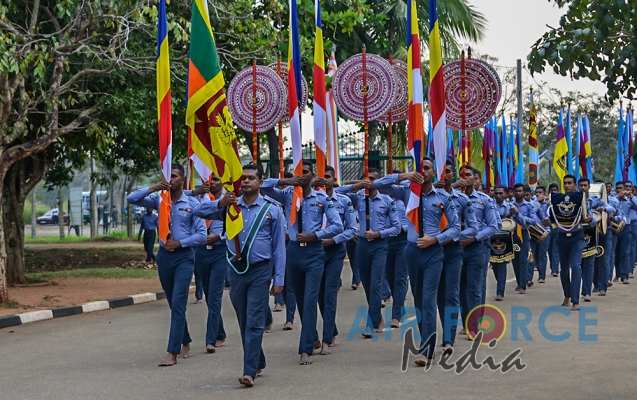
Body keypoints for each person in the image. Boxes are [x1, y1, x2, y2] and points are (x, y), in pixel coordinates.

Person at [194, 164, 286, 387]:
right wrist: (220, 203)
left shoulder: (272, 209)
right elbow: (198, 212)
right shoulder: (230, 206)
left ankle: (249, 371)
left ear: (260, 182)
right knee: (244, 319)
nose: (246, 181)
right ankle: (259, 360)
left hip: (260, 270)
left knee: (254, 320)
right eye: (243, 178)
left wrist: (279, 279)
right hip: (235, 271)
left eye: (251, 178)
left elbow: (279, 248)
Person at [374, 158, 460, 366]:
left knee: (429, 299)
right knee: (420, 300)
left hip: (433, 252)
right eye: (420, 169)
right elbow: (378, 185)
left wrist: (435, 238)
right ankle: (427, 341)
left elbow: (455, 227)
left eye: (427, 168)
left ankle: (426, 350)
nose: (423, 172)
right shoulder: (408, 192)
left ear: (434, 173)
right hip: (411, 252)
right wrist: (403, 176)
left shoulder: (442, 197)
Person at [261, 160, 343, 366]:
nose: (302, 176)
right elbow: (263, 186)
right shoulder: (287, 194)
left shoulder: (321, 197)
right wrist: (287, 180)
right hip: (294, 252)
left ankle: (305, 349)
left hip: (315, 253)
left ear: (312, 175)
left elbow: (337, 225)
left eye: (305, 172)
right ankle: (312, 337)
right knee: (299, 300)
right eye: (299, 173)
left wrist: (315, 235)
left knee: (309, 299)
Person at [127, 163, 207, 366]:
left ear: (182, 180)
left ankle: (172, 352)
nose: (170, 179)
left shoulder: (192, 203)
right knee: (174, 304)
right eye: (167, 176)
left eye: (174, 176)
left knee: (179, 303)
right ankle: (186, 339)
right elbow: (131, 199)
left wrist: (179, 243)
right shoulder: (160, 201)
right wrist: (154, 187)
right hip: (164, 257)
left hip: (183, 257)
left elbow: (201, 235)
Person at [337, 167, 400, 337]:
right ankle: (377, 317)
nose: (369, 181)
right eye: (367, 178)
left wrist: (378, 233)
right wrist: (357, 185)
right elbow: (336, 191)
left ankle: (371, 324)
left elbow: (396, 228)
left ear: (378, 181)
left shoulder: (387, 200)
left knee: (376, 284)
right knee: (367, 284)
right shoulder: (358, 198)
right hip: (362, 245)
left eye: (372, 179)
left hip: (379, 245)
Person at [434, 161, 478, 351]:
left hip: (453, 250)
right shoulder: (427, 197)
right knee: (439, 295)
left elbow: (473, 227)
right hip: (432, 249)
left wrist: (453, 236)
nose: (445, 175)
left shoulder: (462, 199)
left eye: (448, 172)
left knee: (452, 294)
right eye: (441, 172)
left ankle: (448, 340)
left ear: (454, 176)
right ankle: (446, 329)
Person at [314, 165, 358, 354]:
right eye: (320, 177)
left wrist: (333, 240)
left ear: (334, 179)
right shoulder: (310, 200)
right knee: (319, 295)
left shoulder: (344, 201)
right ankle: (331, 328)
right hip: (315, 251)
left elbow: (352, 229)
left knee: (329, 292)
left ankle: (326, 338)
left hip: (334, 251)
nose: (324, 180)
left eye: (327, 176)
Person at [455, 166, 500, 330]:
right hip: (455, 248)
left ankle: (474, 324)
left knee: (474, 287)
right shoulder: (452, 198)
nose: (464, 178)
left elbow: (494, 225)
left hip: (476, 248)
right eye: (462, 175)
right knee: (460, 288)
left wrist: (474, 238)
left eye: (468, 175)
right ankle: (468, 322)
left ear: (476, 179)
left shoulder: (484, 200)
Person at [190, 176, 229, 353]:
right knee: (208, 296)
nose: (212, 183)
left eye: (216, 179)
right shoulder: (199, 200)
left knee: (214, 297)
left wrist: (219, 236)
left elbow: (238, 228)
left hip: (220, 252)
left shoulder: (229, 200)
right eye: (209, 179)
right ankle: (220, 333)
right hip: (201, 251)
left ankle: (210, 339)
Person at [551, 174, 591, 311]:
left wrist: (590, 219)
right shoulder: (557, 200)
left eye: (570, 183)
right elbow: (551, 216)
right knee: (563, 271)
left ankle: (575, 300)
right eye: (565, 183)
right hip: (562, 237)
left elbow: (590, 215)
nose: (567, 185)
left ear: (575, 185)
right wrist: (547, 221)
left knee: (576, 266)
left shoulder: (581, 198)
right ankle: (567, 295)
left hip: (577, 236)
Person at [578, 178, 614, 301]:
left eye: (585, 185)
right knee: (580, 265)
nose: (583, 188)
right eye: (581, 185)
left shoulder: (596, 200)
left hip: (593, 234)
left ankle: (587, 292)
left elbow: (611, 209)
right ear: (578, 187)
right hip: (578, 234)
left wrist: (604, 209)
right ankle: (587, 287)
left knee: (591, 263)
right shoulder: (575, 199)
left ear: (589, 187)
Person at [509, 183, 541, 294]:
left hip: (524, 234)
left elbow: (533, 221)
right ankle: (519, 282)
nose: (518, 193)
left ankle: (523, 285)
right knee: (515, 260)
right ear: (513, 192)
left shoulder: (528, 206)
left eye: (520, 191)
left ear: (524, 192)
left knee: (523, 259)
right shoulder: (509, 205)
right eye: (516, 191)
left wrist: (519, 214)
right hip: (513, 234)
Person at [491, 185, 513, 300]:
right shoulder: (489, 204)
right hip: (492, 238)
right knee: (494, 265)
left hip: (505, 239)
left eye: (501, 193)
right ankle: (500, 282)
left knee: (502, 265)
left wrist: (517, 213)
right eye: (496, 193)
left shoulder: (510, 207)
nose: (498, 196)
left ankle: (500, 292)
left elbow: (521, 222)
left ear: (505, 193)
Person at [614, 181, 636, 284]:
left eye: (621, 188)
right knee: (616, 252)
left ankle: (625, 275)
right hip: (614, 228)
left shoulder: (629, 200)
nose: (620, 190)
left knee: (625, 252)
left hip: (626, 228)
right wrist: (618, 197)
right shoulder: (613, 199)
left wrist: (632, 197)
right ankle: (617, 274)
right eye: (617, 188)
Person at [530, 186, 551, 283]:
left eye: (540, 192)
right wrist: (536, 203)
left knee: (542, 253)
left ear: (545, 194)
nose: (538, 194)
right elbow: (531, 214)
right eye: (536, 192)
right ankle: (529, 278)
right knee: (532, 253)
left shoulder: (549, 204)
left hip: (545, 232)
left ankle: (542, 276)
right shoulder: (532, 203)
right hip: (534, 231)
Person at [547, 183, 561, 277]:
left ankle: (555, 269)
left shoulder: (560, 201)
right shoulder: (545, 202)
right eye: (552, 190)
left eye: (555, 190)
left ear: (558, 191)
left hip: (557, 228)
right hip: (548, 228)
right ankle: (553, 268)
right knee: (549, 249)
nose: (553, 192)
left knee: (555, 249)